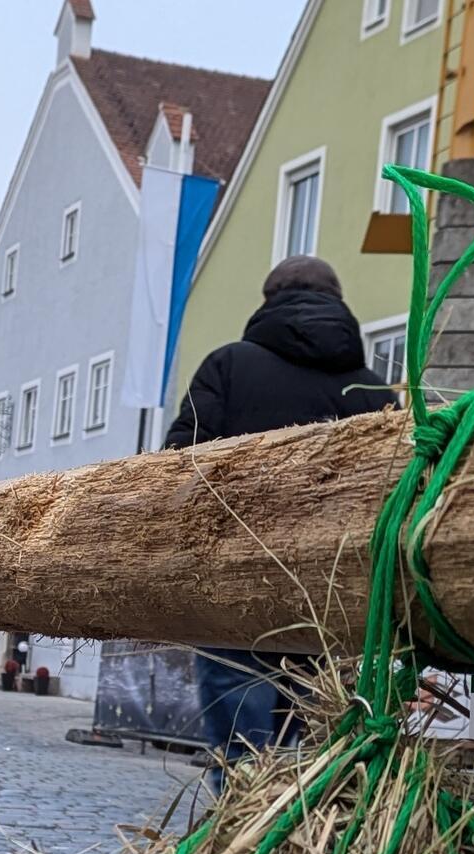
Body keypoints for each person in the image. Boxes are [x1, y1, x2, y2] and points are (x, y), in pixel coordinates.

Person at [167, 256, 390, 785]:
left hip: (233, 580)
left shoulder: (227, 366)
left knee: (240, 746)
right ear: (339, 303)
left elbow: (178, 464)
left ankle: (237, 833)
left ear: (268, 301)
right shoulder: (374, 391)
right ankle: (301, 841)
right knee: (315, 739)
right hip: (331, 593)